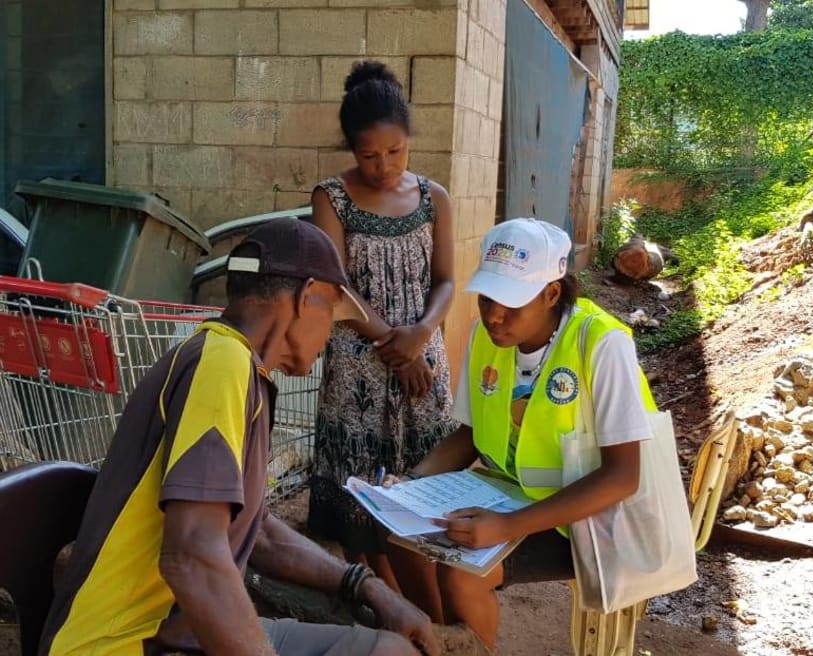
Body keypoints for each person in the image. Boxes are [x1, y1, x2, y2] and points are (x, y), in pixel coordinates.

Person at [39, 219, 440, 656]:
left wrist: (363, 584)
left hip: (173, 634)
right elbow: (192, 557)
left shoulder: (237, 368)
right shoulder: (223, 363)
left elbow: (256, 530)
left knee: (387, 650)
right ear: (308, 298)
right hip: (120, 645)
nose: (330, 335)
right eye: (334, 317)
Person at [386, 218, 658, 649]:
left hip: (588, 520)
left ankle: (470, 644)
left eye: (511, 302)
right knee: (402, 539)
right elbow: (470, 434)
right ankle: (445, 645)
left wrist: (508, 526)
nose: (494, 314)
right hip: (511, 499)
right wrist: (412, 485)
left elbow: (623, 477)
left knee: (459, 573)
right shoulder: (487, 337)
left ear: (551, 293)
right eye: (487, 298)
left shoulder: (601, 344)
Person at [306, 60, 459, 583]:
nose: (384, 166)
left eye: (395, 152)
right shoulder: (331, 198)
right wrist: (396, 344)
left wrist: (420, 336)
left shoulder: (434, 198)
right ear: (352, 149)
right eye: (369, 155)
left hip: (424, 360)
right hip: (358, 363)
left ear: (409, 140)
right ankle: (375, 596)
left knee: (424, 487)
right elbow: (336, 287)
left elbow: (446, 282)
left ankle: (426, 596)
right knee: (361, 498)